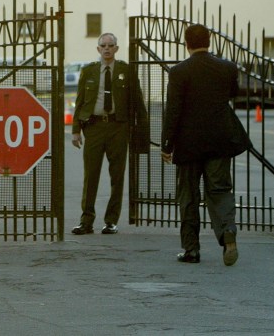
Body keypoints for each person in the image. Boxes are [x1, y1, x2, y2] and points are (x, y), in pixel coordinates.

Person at [161, 23, 239, 266]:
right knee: (220, 190)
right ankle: (228, 234)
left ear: (187, 43)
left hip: (188, 142)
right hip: (219, 139)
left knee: (188, 196)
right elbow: (233, 94)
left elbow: (173, 110)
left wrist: (167, 144)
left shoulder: (179, 72)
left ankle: (191, 250)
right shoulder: (227, 68)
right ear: (209, 41)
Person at [70, 33, 148, 235]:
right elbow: (80, 102)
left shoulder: (125, 70)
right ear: (98, 49)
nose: (107, 49)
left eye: (111, 45)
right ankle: (86, 221)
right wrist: (76, 131)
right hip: (94, 127)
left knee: (117, 175)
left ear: (116, 49)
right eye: (103, 45)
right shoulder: (89, 71)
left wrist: (141, 130)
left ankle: (111, 220)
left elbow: (137, 101)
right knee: (91, 175)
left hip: (117, 127)